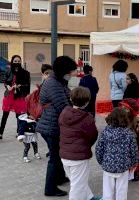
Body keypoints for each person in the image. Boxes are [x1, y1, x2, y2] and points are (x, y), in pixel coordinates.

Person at [36, 56, 77, 197]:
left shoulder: (59, 81)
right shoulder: (53, 83)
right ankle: (50, 189)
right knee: (54, 158)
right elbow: (63, 106)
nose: (72, 74)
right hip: (51, 126)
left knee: (58, 155)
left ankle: (59, 178)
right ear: (64, 71)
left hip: (53, 125)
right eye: (71, 71)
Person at [59, 87, 100, 200]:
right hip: (79, 158)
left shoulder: (64, 112)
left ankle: (89, 197)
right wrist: (84, 146)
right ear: (87, 102)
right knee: (77, 185)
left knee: (77, 181)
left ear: (71, 99)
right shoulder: (87, 119)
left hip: (64, 155)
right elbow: (93, 136)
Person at [95, 107, 139, 200]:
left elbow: (99, 149)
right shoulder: (129, 134)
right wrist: (134, 164)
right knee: (122, 192)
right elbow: (134, 151)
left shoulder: (105, 132)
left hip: (108, 166)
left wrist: (102, 162)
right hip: (123, 167)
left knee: (107, 192)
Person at [119, 98, 139, 181]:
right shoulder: (119, 120)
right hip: (122, 150)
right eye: (122, 107)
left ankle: (137, 169)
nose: (123, 109)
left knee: (134, 176)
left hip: (135, 149)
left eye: (125, 108)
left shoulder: (138, 122)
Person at [0, 55, 30, 139]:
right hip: (9, 96)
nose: (17, 63)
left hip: (19, 96)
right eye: (15, 61)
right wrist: (7, 87)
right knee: (5, 115)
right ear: (12, 61)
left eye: (18, 61)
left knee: (19, 115)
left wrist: (20, 86)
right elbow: (5, 81)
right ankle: (0, 133)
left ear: (20, 62)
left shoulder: (25, 73)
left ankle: (19, 132)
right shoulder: (8, 71)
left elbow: (27, 85)